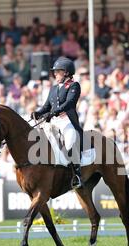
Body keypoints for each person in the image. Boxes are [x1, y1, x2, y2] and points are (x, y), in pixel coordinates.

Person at [31, 56, 83, 189]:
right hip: (52, 120)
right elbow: (46, 106)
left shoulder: (74, 85)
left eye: (57, 71)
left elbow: (70, 103)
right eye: (54, 72)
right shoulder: (54, 88)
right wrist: (38, 112)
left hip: (66, 120)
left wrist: (54, 112)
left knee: (70, 139)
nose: (54, 74)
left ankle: (76, 173)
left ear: (66, 72)